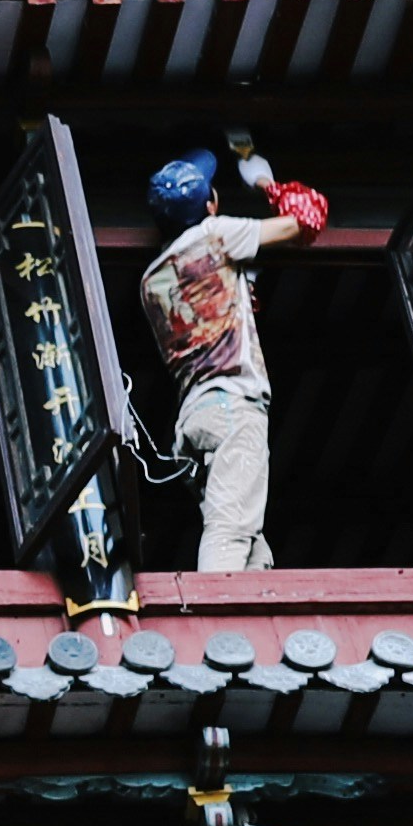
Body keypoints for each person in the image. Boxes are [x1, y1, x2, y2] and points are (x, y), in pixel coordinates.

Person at [138, 141, 326, 574]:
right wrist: (262, 178)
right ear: (210, 203)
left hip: (193, 420)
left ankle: (250, 621)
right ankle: (214, 627)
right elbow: (306, 220)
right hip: (233, 407)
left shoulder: (150, 280)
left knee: (251, 545)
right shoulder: (215, 235)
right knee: (230, 530)